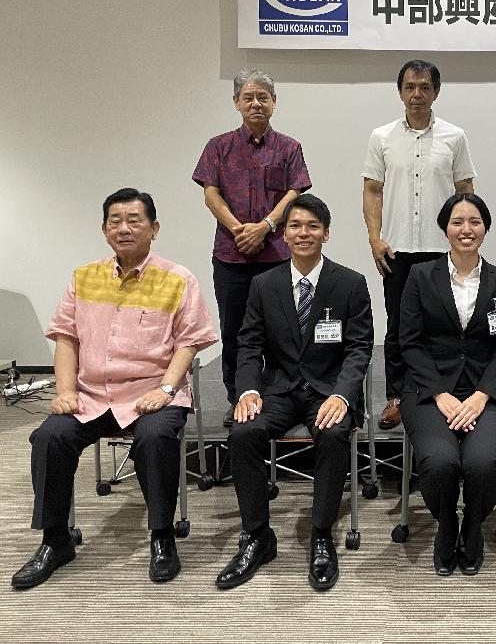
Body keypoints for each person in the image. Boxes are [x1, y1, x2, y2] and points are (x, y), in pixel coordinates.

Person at [11, 189, 217, 589]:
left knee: (155, 438)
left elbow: (189, 343)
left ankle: (162, 536)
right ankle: (55, 540)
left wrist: (167, 388)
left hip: (152, 394)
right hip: (92, 396)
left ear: (154, 229)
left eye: (134, 220)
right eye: (115, 221)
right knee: (50, 437)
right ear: (104, 230)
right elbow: (66, 338)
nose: (124, 228)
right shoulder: (83, 277)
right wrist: (65, 390)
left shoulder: (178, 279)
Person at [216, 194, 373, 591]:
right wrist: (247, 390)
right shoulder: (264, 284)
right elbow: (248, 344)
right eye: (296, 226)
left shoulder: (350, 283)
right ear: (283, 234)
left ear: (326, 234)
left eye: (313, 226)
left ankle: (322, 533)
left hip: (328, 391)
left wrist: (343, 395)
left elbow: (359, 348)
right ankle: (257, 536)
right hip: (280, 389)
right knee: (243, 432)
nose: (304, 233)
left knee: (333, 434)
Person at [398, 194, 496, 576]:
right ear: (445, 228)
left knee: (483, 463)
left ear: (485, 228)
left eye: (474, 221)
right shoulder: (420, 276)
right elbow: (409, 342)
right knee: (439, 462)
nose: (466, 229)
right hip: (429, 390)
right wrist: (439, 393)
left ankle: (473, 524)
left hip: (487, 391)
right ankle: (447, 522)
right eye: (457, 222)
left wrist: (483, 394)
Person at [192, 68, 311, 426]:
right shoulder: (218, 146)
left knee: (281, 330)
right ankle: (238, 397)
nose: (256, 103)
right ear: (236, 103)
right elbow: (210, 193)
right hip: (231, 254)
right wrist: (238, 228)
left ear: (274, 102)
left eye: (263, 97)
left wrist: (266, 226)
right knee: (235, 330)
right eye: (248, 97)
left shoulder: (289, 148)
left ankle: (277, 397)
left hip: (276, 254)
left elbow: (294, 193)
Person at [363, 59, 476, 430]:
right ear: (400, 91)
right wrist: (375, 238)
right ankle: (396, 397)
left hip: (441, 248)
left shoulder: (454, 137)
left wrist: (464, 238)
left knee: (444, 326)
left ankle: (441, 392)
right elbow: (373, 190)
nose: (417, 94)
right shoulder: (381, 137)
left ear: (436, 92)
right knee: (398, 326)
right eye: (410, 87)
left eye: (424, 87)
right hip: (395, 249)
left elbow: (465, 190)